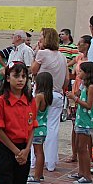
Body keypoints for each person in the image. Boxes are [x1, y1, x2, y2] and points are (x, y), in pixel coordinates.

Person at [0, 62, 37, 184]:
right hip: (7, 150)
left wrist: (26, 150)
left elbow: (32, 127)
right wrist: (17, 152)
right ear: (8, 78)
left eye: (24, 76)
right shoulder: (1, 101)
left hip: (24, 151)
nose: (21, 80)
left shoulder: (30, 101)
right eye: (16, 76)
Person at [30, 27, 68, 172]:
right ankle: (50, 163)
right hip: (58, 94)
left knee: (36, 125)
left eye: (41, 36)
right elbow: (66, 80)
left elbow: (33, 70)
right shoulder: (62, 56)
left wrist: (36, 52)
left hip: (42, 93)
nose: (39, 39)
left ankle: (34, 161)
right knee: (53, 128)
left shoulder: (42, 53)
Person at [66, 61, 93, 184]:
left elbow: (89, 105)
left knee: (83, 148)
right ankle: (81, 172)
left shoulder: (91, 87)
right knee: (79, 147)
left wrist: (75, 99)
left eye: (80, 71)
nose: (78, 73)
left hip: (86, 120)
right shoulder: (84, 85)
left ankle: (87, 175)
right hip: (81, 119)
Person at [65, 34, 92, 163]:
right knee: (74, 123)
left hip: (83, 91)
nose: (77, 45)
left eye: (80, 43)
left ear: (86, 44)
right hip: (76, 89)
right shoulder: (79, 57)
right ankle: (74, 153)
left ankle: (89, 154)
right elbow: (67, 66)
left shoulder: (91, 58)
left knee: (86, 125)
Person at [28, 72, 52, 184]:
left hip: (37, 128)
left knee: (38, 152)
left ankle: (37, 176)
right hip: (43, 126)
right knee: (40, 151)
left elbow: (34, 111)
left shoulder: (39, 96)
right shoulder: (47, 95)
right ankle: (40, 174)